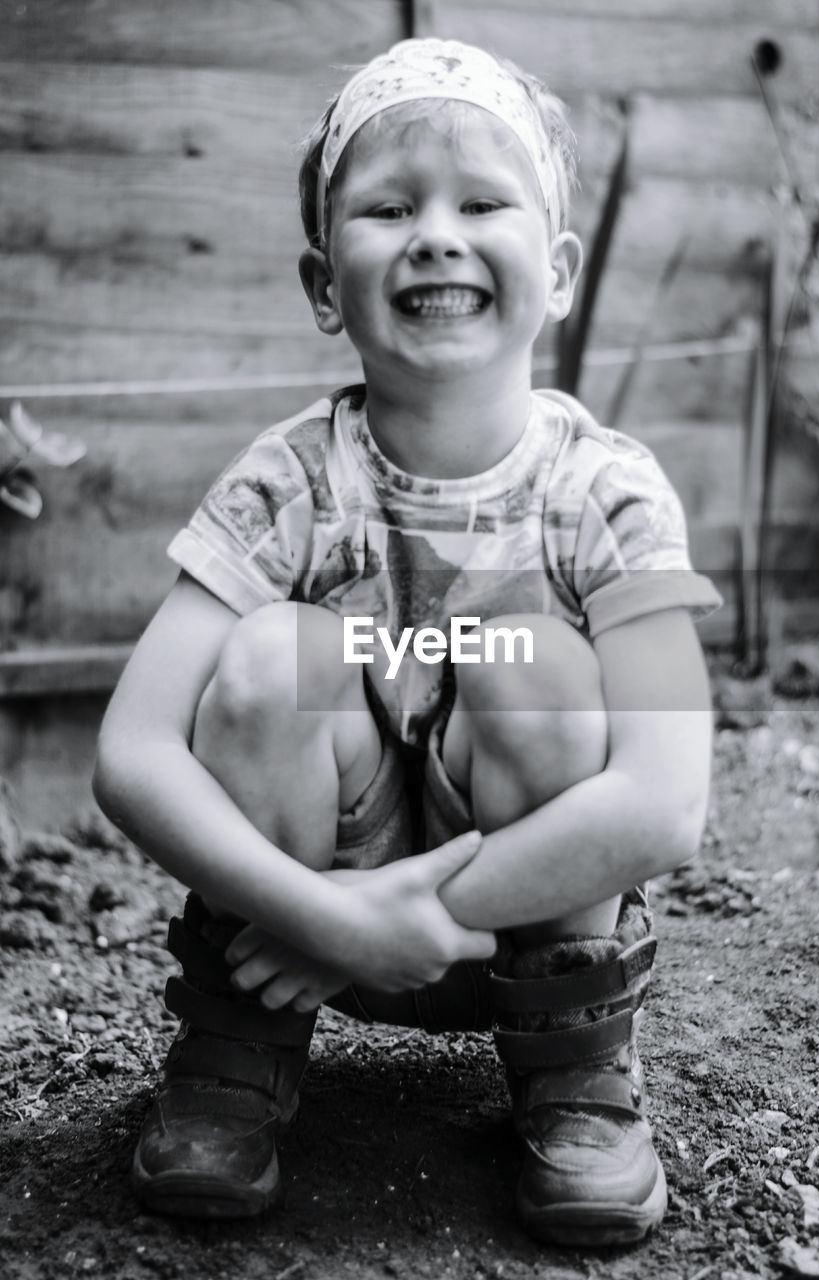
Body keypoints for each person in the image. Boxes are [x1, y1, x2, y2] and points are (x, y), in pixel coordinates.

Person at [93, 37, 719, 1247]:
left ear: (558, 268)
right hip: (295, 920)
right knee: (278, 655)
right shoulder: (288, 482)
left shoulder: (607, 491)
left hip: (516, 913)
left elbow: (664, 801)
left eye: (481, 202)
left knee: (524, 657)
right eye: (389, 207)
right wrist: (326, 915)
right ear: (326, 283)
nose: (436, 232)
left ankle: (574, 1076)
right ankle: (235, 1057)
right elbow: (131, 751)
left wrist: (387, 915)